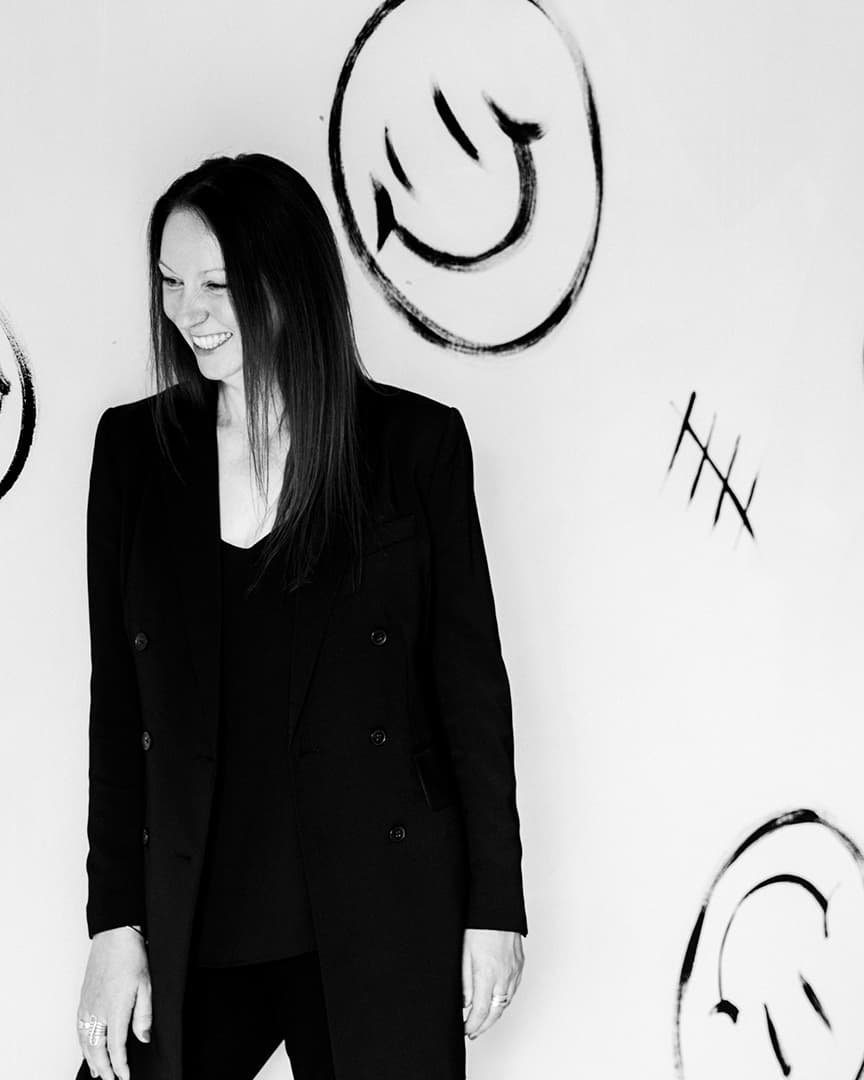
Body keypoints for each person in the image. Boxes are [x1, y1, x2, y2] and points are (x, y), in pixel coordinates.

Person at [74, 153, 527, 1080]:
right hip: (200, 913)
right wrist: (114, 926)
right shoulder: (134, 453)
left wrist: (496, 908)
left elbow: (470, 690)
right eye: (170, 282)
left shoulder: (414, 447)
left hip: (378, 911)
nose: (188, 311)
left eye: (217, 284)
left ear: (291, 281)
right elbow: (119, 712)